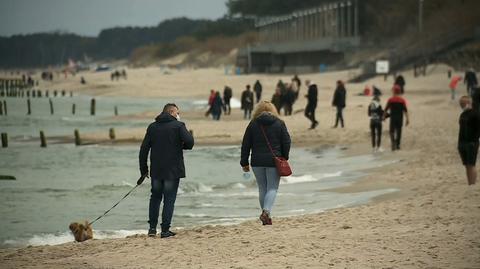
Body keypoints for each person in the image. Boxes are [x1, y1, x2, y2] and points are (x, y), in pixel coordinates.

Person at [139, 103, 194, 238]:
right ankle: (164, 230)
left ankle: (152, 229)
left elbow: (144, 149)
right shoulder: (178, 126)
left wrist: (144, 169)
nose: (178, 115)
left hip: (156, 170)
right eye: (177, 113)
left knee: (155, 197)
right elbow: (190, 142)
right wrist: (183, 146)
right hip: (173, 170)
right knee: (169, 199)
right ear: (171, 112)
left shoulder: (152, 127)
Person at [240, 101, 291, 225]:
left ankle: (266, 217)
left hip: (257, 161)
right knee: (272, 187)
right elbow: (287, 141)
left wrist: (244, 162)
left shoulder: (253, 124)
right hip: (274, 161)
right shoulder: (279, 123)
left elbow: (245, 144)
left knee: (262, 188)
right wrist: (284, 157)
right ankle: (266, 212)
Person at [458, 96, 480, 185]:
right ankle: (470, 183)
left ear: (468, 103)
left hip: (472, 143)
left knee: (471, 165)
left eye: (463, 104)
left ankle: (473, 184)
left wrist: (476, 139)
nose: (462, 106)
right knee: (467, 165)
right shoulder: (463, 114)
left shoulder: (475, 114)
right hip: (462, 143)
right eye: (461, 104)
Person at [384, 85, 410, 151]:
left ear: (394, 91)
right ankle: (398, 145)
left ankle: (393, 142)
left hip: (393, 118)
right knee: (399, 131)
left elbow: (386, 109)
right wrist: (407, 119)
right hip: (400, 118)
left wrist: (383, 116)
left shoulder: (390, 100)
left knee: (391, 131)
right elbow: (405, 110)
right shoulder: (402, 100)